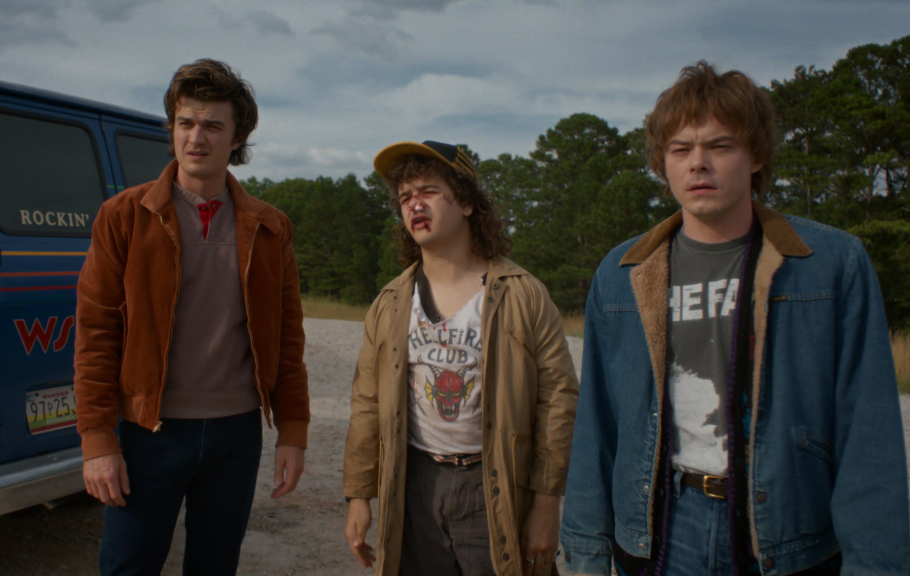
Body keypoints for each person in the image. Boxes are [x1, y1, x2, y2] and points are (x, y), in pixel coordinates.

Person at [560, 61, 910, 576]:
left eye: (720, 146)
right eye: (681, 149)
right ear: (663, 164)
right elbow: (596, 430)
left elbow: (869, 437)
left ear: (756, 155)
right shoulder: (621, 275)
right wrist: (587, 555)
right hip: (666, 530)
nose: (698, 164)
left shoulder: (830, 265)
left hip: (789, 537)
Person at [73, 58, 309, 576]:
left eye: (212, 126)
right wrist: (97, 440)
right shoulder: (123, 217)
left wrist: (292, 431)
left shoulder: (271, 228)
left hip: (236, 435)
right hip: (148, 432)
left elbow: (288, 338)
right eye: (185, 123)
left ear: (238, 137)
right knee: (127, 567)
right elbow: (95, 334)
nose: (195, 137)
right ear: (172, 128)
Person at [343, 140, 579, 576]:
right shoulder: (390, 302)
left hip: (492, 486)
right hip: (415, 483)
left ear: (468, 202)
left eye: (428, 192)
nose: (415, 204)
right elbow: (367, 403)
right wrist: (359, 494)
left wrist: (546, 503)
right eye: (405, 197)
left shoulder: (524, 295)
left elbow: (558, 401)